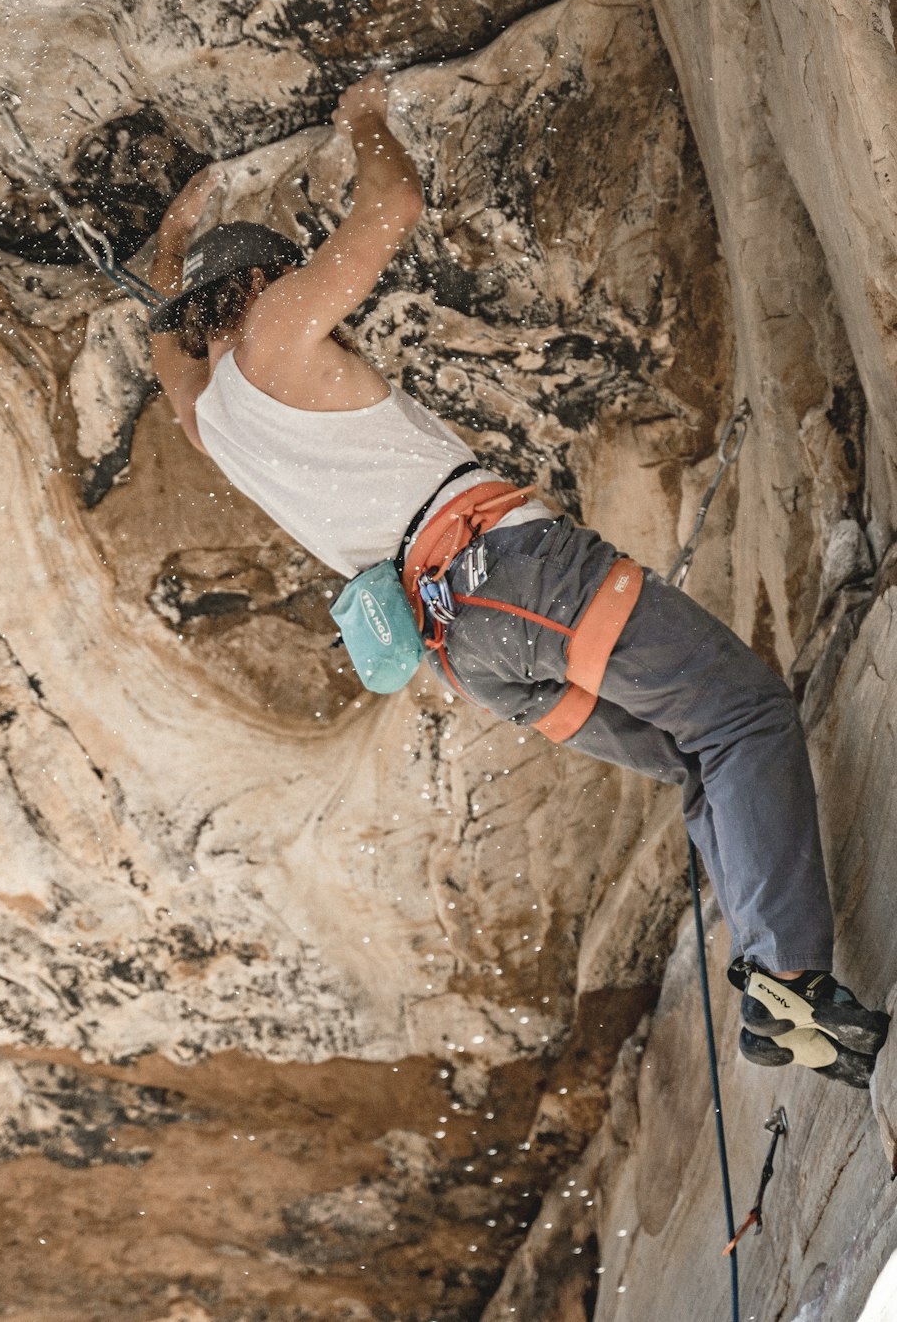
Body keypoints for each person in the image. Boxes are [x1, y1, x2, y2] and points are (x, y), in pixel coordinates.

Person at [148, 73, 888, 1089]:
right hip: (510, 573)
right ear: (257, 289)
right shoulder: (275, 331)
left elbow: (165, 356)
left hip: (471, 650)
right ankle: (790, 984)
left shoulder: (214, 424)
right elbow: (391, 210)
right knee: (743, 717)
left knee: (698, 753)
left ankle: (779, 983)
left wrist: (168, 241)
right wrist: (363, 120)